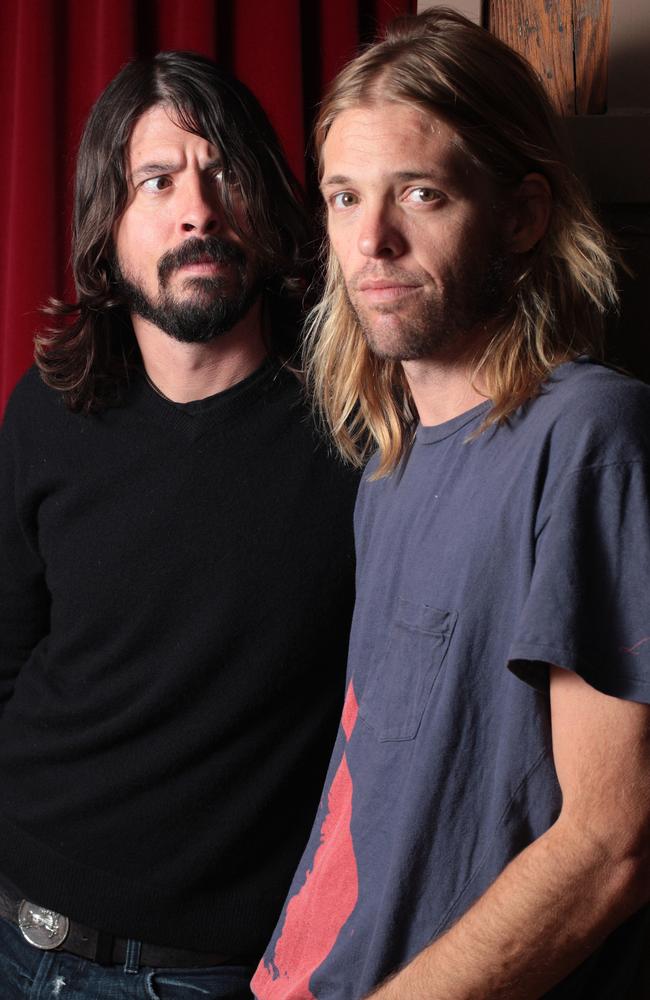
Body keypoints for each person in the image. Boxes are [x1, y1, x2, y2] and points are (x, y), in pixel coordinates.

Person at [253, 9, 650, 999]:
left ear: (518, 215)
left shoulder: (589, 435)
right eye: (344, 198)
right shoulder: (388, 462)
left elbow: (611, 842)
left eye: (418, 194)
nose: (370, 240)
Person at [0, 51, 359, 1000]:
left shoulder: (353, 428)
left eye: (223, 173)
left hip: (203, 972)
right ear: (108, 230)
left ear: (266, 205)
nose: (197, 208)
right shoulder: (46, 410)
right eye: (156, 181)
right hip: (10, 923)